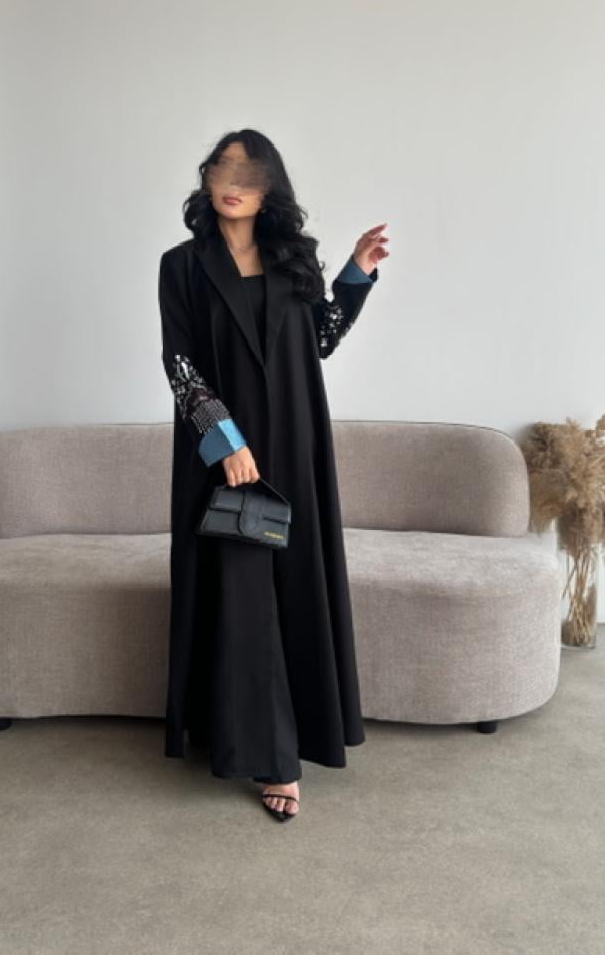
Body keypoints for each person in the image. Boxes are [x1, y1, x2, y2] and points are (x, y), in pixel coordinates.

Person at [158, 129, 389, 822]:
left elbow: (319, 339)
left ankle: (291, 739)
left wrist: (356, 273)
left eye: (249, 173)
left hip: (295, 443)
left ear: (270, 188)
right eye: (223, 168)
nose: (234, 183)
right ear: (207, 179)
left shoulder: (293, 261)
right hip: (223, 454)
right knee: (242, 598)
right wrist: (224, 441)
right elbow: (181, 366)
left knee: (292, 589)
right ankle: (273, 758)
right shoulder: (182, 266)